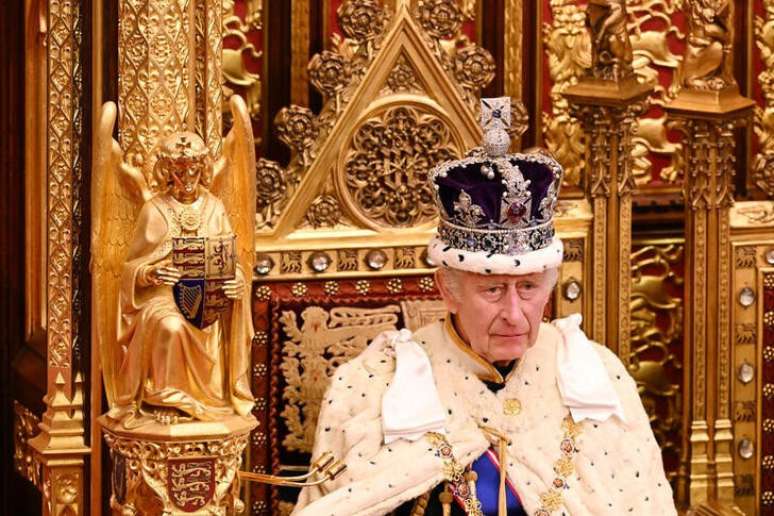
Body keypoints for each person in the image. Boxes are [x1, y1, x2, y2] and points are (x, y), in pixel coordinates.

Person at [293, 98, 676, 515]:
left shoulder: (597, 376)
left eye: (529, 287)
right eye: (492, 291)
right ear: (447, 288)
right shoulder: (374, 383)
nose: (514, 313)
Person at [109, 132, 254, 425]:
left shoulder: (215, 207)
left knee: (207, 322)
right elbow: (130, 269)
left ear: (203, 169)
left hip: (207, 299)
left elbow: (229, 259)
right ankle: (167, 397)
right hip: (162, 298)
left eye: (193, 169)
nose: (186, 177)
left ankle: (209, 398)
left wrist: (237, 280)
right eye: (178, 170)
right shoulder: (154, 209)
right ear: (166, 171)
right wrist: (150, 273)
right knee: (171, 326)